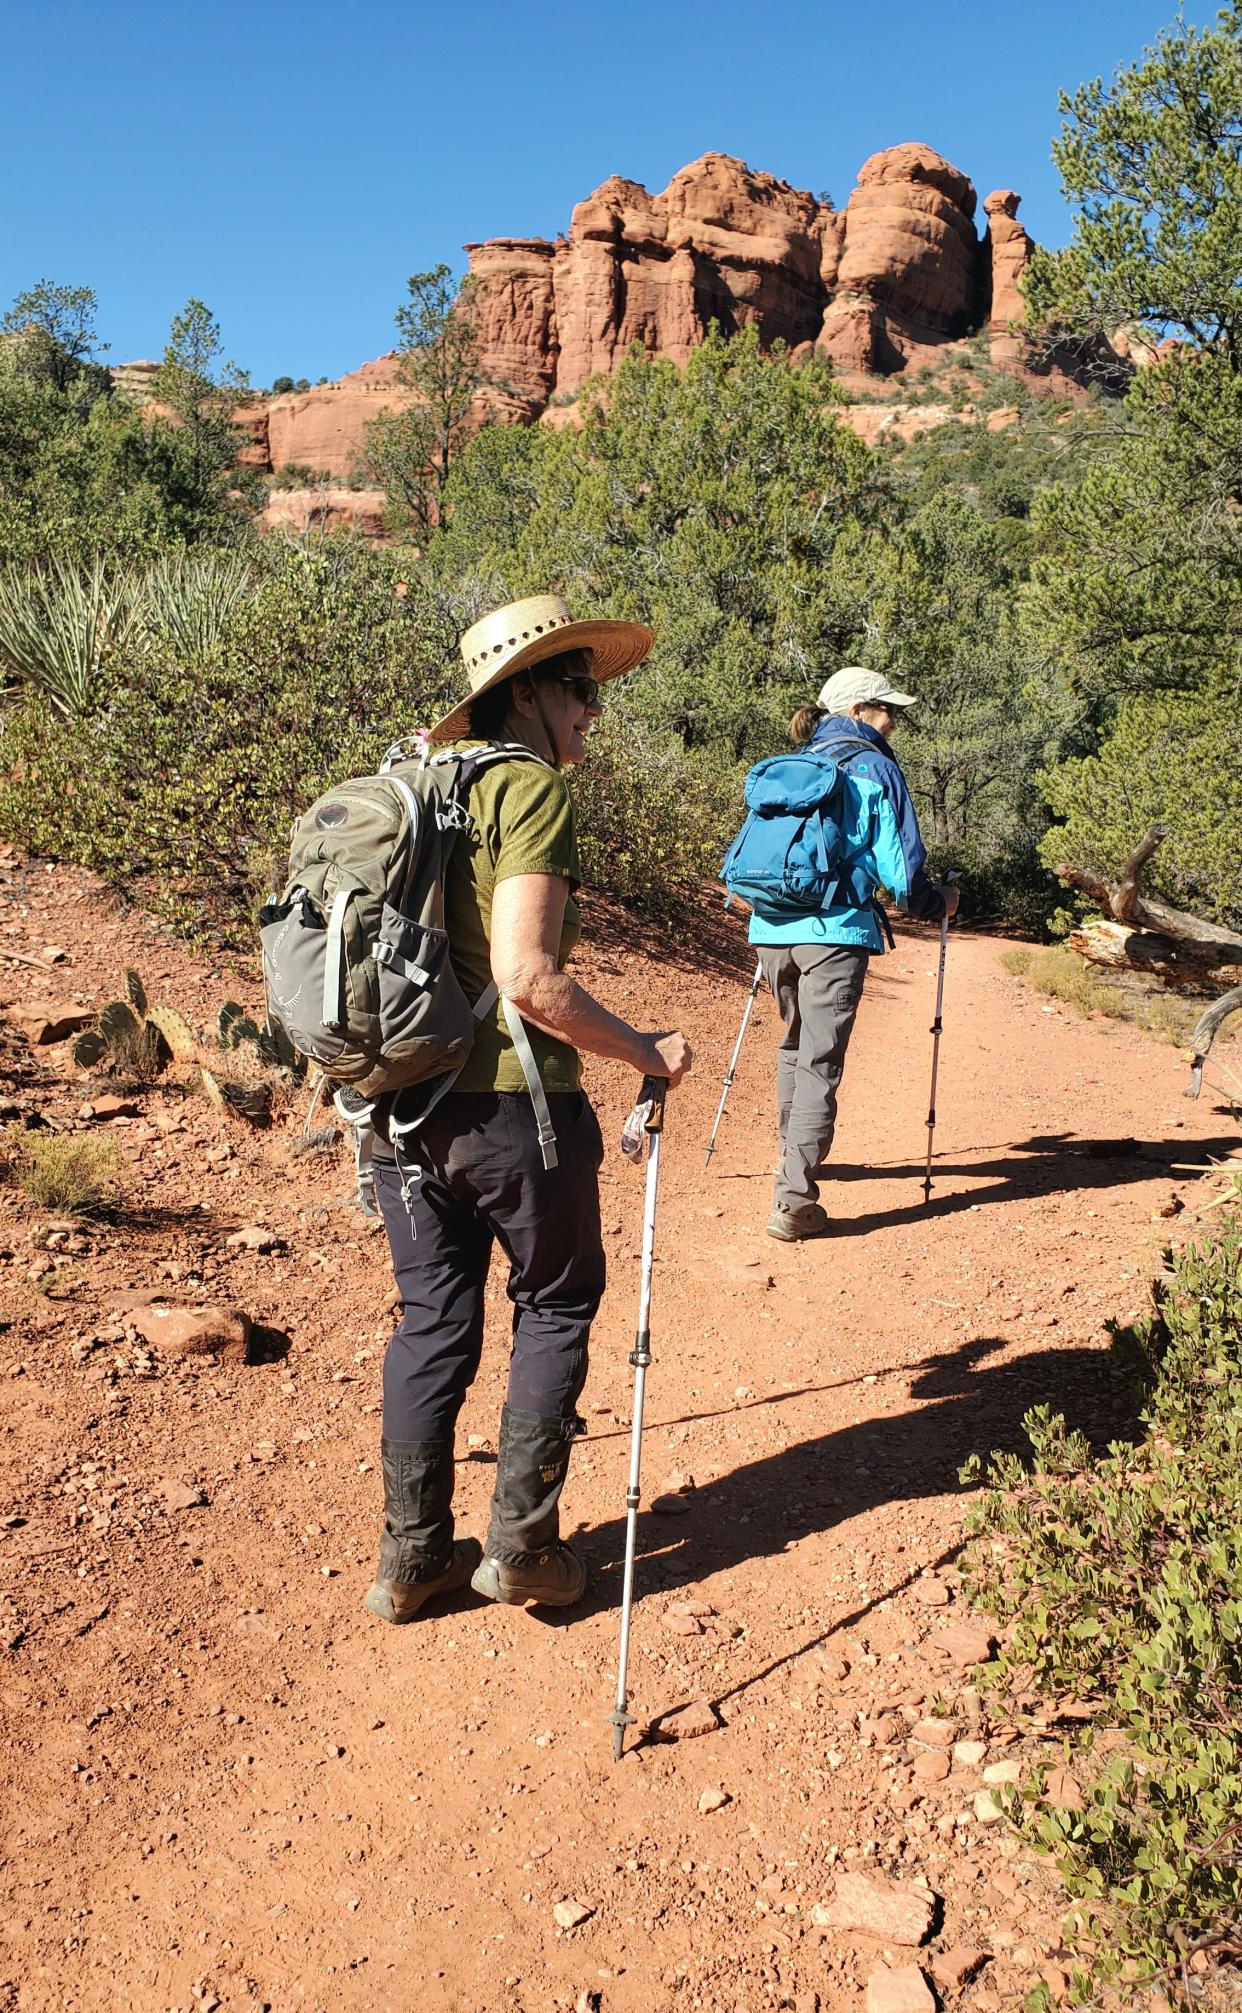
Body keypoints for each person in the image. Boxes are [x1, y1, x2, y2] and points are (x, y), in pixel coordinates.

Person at [363, 594, 692, 1624]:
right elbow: (531, 980)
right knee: (553, 1305)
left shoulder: (416, 783)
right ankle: (523, 1550)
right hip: (512, 1110)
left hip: (398, 1107)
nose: (595, 710)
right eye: (583, 688)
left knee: (432, 1324)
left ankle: (413, 1562)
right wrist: (647, 1050)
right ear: (533, 693)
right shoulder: (529, 792)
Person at [750, 666, 959, 1243]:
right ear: (861, 709)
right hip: (835, 931)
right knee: (820, 1058)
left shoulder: (792, 764)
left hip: (770, 928)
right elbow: (900, 870)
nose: (895, 720)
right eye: (889, 709)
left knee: (795, 1044)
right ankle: (793, 1200)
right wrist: (937, 901)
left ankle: (791, 1156)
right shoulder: (874, 767)